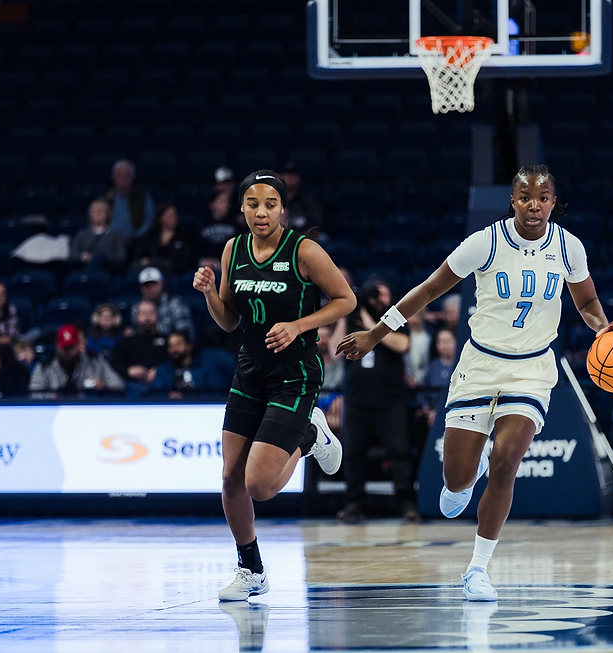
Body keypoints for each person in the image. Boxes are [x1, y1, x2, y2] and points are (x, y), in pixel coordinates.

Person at [337, 165, 613, 602]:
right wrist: (376, 333)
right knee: (455, 483)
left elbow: (586, 300)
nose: (534, 205)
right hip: (479, 366)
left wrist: (603, 329)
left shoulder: (570, 248)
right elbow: (427, 290)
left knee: (507, 459)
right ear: (512, 200)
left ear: (554, 202)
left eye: (544, 197)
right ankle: (465, 475)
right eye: (525, 196)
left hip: (532, 370)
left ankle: (477, 569)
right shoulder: (486, 242)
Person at [192, 170, 355, 602]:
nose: (260, 211)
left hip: (295, 373)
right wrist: (210, 294)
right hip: (249, 371)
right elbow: (229, 320)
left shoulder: (304, 250)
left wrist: (298, 325)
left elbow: (346, 300)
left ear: (282, 208)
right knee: (230, 476)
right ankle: (251, 569)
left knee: (259, 486)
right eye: (251, 203)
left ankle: (311, 432)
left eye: (269, 204)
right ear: (241, 207)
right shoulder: (233, 249)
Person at [331, 276, 417, 525]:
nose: (384, 300)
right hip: (357, 400)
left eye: (387, 295)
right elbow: (334, 352)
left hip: (390, 400)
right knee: (354, 453)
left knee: (399, 451)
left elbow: (403, 345)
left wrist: (372, 327)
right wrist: (344, 316)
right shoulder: (350, 319)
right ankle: (354, 503)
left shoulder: (395, 319)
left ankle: (406, 502)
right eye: (379, 295)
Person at [29, 325, 125, 397]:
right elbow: (34, 392)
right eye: (64, 348)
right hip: (55, 410)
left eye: (71, 347)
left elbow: (118, 385)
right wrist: (50, 396)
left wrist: (103, 386)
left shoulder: (95, 360)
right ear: (57, 346)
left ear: (78, 345)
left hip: (88, 410)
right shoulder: (45, 365)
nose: (68, 351)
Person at [112, 301, 169, 395]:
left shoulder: (165, 340)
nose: (147, 318)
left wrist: (159, 370)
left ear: (158, 316)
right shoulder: (126, 341)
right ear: (136, 317)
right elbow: (114, 364)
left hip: (160, 385)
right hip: (131, 386)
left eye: (151, 313)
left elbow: (174, 361)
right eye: (143, 313)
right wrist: (128, 370)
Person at [131, 203, 197, 275]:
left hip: (174, 273)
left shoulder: (184, 236)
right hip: (151, 272)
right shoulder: (150, 236)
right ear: (160, 218)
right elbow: (140, 255)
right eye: (169, 215)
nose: (174, 218)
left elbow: (187, 260)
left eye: (174, 215)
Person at [151, 331, 221, 398]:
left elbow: (217, 393)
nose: (174, 349)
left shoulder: (206, 367)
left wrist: (192, 397)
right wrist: (168, 395)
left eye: (178, 344)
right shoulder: (163, 370)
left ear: (189, 346)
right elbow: (156, 394)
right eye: (170, 346)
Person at [134, 266, 195, 342]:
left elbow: (185, 332)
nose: (150, 288)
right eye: (146, 286)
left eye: (153, 284)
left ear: (161, 284)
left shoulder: (175, 303)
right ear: (141, 288)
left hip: (170, 347)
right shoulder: (137, 307)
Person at [69, 197, 128, 271]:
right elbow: (72, 255)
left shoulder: (115, 235)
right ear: (90, 214)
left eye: (101, 211)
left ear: (107, 214)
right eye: (95, 211)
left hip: (107, 271)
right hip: (84, 269)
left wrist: (104, 258)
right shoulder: (82, 234)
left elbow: (121, 257)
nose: (98, 214)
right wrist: (83, 257)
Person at [104, 158, 155, 241]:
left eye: (127, 175)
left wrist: (135, 237)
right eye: (119, 175)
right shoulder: (105, 199)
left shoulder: (143, 197)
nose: (123, 179)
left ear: (132, 178)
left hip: (137, 241)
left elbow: (149, 220)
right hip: (109, 242)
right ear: (114, 178)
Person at [279, 161, 325, 234]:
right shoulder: (273, 199)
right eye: (287, 174)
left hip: (304, 237)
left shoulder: (308, 200)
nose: (291, 178)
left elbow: (316, 224)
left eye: (294, 175)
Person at [199, 190, 242, 267]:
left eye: (227, 202)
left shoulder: (236, 224)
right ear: (211, 205)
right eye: (221, 202)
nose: (225, 205)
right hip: (207, 264)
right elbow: (197, 248)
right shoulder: (201, 224)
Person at [404, 308, 432, 388]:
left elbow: (426, 363)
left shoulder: (425, 338)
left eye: (416, 316)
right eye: (410, 316)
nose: (413, 320)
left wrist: (417, 379)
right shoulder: (400, 337)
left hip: (420, 383)